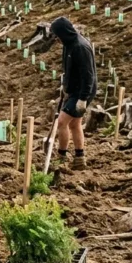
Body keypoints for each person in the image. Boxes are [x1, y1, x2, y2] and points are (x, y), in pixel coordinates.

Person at [50, 17, 98, 170]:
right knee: (75, 123)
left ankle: (62, 156)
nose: (56, 39)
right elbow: (68, 68)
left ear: (64, 33)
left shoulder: (80, 47)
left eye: (57, 35)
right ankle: (79, 158)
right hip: (75, 89)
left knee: (62, 122)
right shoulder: (68, 44)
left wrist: (83, 98)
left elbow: (88, 75)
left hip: (83, 90)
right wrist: (65, 86)